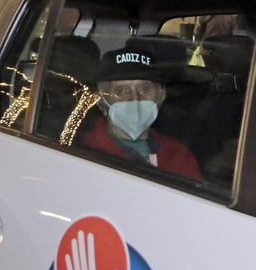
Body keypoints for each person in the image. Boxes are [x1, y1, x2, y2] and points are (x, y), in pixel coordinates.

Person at [78, 40, 201, 179]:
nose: (135, 99)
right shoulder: (84, 154)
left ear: (161, 96)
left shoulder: (178, 154)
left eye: (144, 88)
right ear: (101, 102)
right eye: (120, 90)